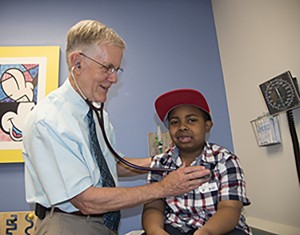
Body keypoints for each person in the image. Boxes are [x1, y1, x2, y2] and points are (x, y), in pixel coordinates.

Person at [22, 20, 211, 235]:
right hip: (70, 224)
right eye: (107, 68)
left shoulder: (94, 112)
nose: (113, 78)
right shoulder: (49, 120)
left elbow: (112, 164)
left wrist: (163, 162)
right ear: (77, 62)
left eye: (116, 69)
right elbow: (86, 200)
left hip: (104, 223)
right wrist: (164, 188)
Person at [142, 88, 252, 235]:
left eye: (191, 120)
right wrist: (155, 231)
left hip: (219, 228)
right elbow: (153, 207)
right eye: (175, 122)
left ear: (207, 126)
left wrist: (205, 232)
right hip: (176, 227)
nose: (182, 127)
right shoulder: (160, 164)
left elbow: (230, 208)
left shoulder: (225, 160)